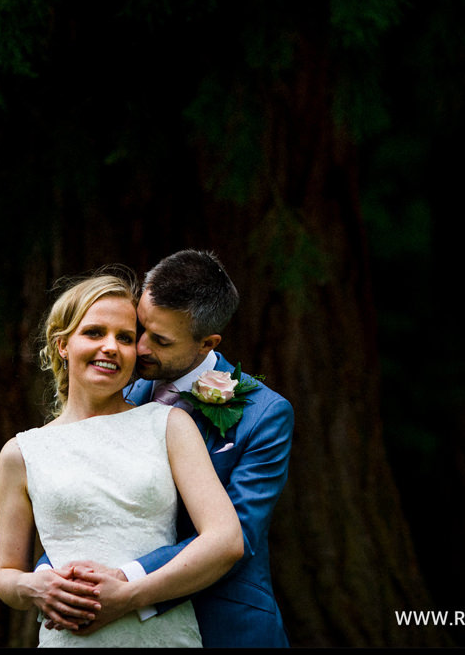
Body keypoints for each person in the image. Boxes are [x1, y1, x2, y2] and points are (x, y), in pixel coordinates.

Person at [31, 250, 294, 648]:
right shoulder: (119, 391)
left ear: (207, 343)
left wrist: (126, 583)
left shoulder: (265, 415)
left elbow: (238, 534)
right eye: (140, 328)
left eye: (161, 340)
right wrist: (61, 580)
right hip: (115, 625)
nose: (139, 348)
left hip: (223, 622)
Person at [0, 271, 243, 647]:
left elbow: (225, 540)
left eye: (125, 338)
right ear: (63, 344)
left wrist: (130, 596)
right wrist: (33, 585)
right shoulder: (21, 453)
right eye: (94, 333)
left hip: (162, 636)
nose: (111, 347)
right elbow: (6, 575)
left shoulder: (169, 425)